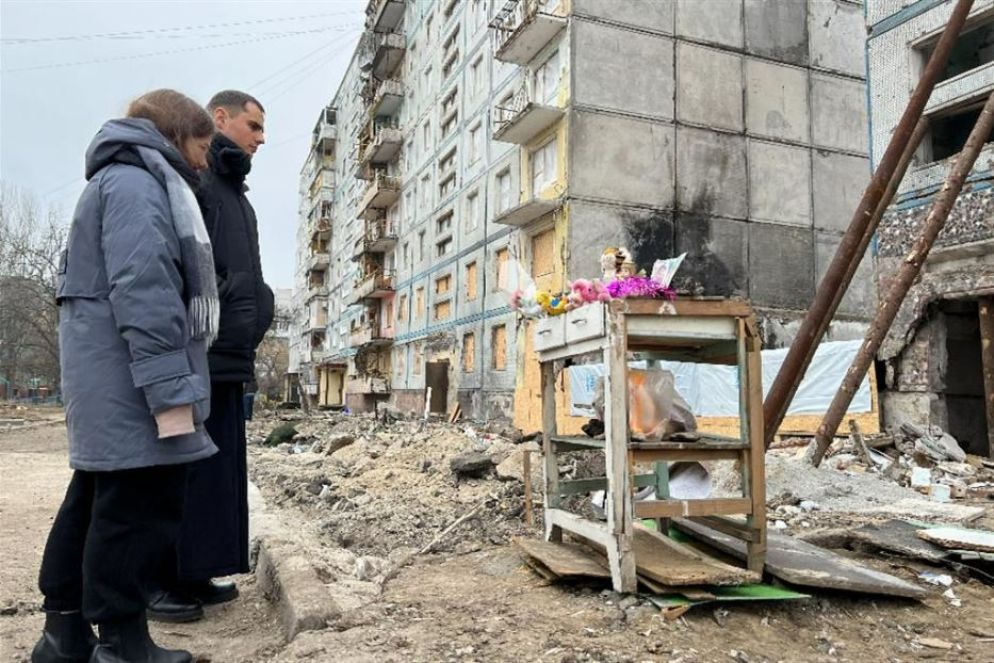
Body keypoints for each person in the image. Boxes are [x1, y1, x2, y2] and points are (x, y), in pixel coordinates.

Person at [32, 89, 218, 663]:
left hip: (109, 379)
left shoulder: (113, 180)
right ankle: (122, 644)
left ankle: (62, 636)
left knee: (94, 501)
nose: (205, 161)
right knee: (138, 510)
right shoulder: (140, 185)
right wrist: (170, 394)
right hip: (134, 382)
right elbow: (147, 293)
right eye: (203, 144)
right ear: (177, 134)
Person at [149, 90, 274, 622]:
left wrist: (259, 309)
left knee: (216, 472)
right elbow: (182, 262)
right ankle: (159, 581)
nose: (261, 137)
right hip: (200, 351)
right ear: (219, 118)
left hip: (229, 355)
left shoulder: (236, 194)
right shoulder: (196, 180)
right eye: (253, 125)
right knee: (182, 471)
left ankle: (195, 570)